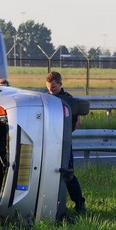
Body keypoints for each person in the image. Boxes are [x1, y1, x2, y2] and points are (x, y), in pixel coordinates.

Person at [45, 71, 87, 214]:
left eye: (54, 87)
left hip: (63, 141)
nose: (51, 90)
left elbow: (78, 122)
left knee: (68, 173)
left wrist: (66, 134)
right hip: (47, 142)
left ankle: (79, 203)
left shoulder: (68, 100)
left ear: (60, 84)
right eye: (49, 88)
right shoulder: (44, 99)